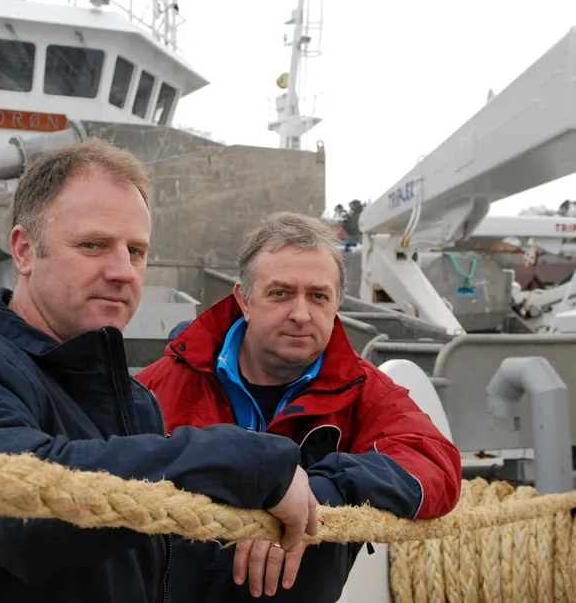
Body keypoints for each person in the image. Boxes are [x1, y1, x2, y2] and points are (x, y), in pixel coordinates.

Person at [0, 140, 320, 603]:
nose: (124, 271)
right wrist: (241, 461)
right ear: (25, 251)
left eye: (137, 251)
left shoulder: (134, 401)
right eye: (93, 245)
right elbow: (20, 510)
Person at [136, 212, 463, 602]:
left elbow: (434, 464)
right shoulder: (160, 386)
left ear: (337, 302)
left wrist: (324, 488)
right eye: (280, 293)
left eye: (318, 296)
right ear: (244, 300)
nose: (301, 314)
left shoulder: (362, 390)